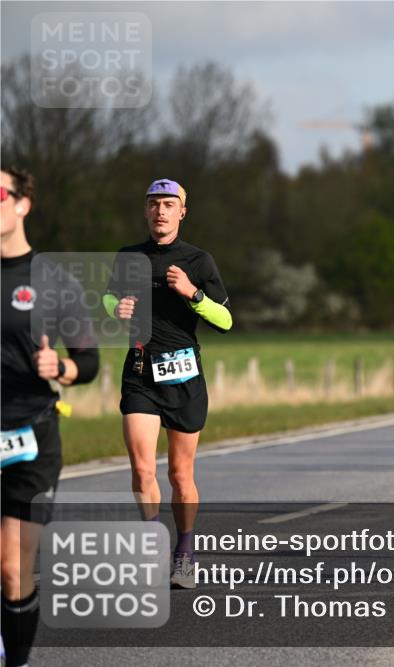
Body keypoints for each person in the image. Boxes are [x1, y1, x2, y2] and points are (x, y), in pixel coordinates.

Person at [106, 179, 233, 589]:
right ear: (145, 211)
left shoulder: (198, 260)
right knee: (143, 468)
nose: (161, 211)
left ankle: (185, 551)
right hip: (140, 372)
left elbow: (226, 321)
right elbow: (108, 300)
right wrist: (116, 307)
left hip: (183, 375)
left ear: (182, 211)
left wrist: (192, 293)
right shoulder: (128, 257)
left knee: (180, 475)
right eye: (154, 204)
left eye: (169, 204)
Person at [1, 167, 99, 667]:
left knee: (14, 568)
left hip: (30, 437)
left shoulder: (52, 279)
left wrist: (59, 365)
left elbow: (90, 361)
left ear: (22, 204)